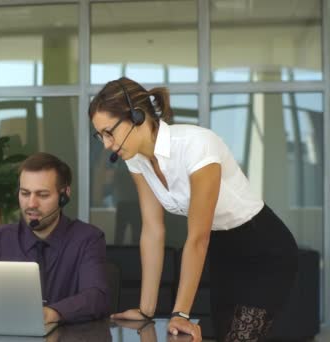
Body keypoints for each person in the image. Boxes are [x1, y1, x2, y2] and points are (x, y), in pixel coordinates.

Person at [88, 77, 298, 341]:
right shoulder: (137, 160)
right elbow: (152, 230)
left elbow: (198, 237)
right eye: (100, 136)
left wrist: (181, 313)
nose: (106, 144)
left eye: (110, 132)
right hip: (224, 249)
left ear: (136, 115)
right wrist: (146, 310)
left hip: (265, 249)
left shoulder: (196, 145)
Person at [0, 152, 109, 324]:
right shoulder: (1, 238)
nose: (31, 204)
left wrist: (53, 313)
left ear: (64, 196)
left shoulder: (88, 239)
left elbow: (97, 297)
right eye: (25, 193)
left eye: (42, 195)